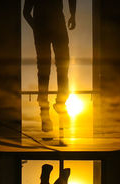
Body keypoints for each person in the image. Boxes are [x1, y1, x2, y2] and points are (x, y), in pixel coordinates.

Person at [23, 0, 77, 132]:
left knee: (44, 70)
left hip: (43, 27)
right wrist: (73, 15)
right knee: (62, 66)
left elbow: (26, 12)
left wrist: (35, 27)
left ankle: (45, 111)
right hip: (57, 24)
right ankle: (59, 104)